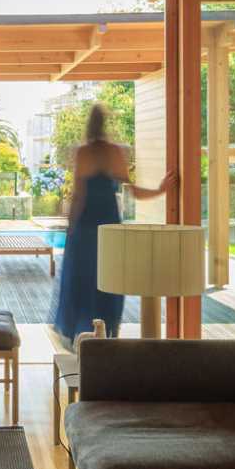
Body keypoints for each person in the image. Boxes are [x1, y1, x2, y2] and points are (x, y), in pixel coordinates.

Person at [51, 103, 176, 345]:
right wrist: (160, 190)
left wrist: (70, 226)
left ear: (88, 125)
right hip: (108, 226)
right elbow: (132, 191)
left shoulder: (83, 153)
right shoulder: (116, 152)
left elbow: (78, 196)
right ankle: (110, 334)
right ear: (105, 124)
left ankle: (83, 339)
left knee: (82, 280)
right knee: (110, 279)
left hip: (86, 226)